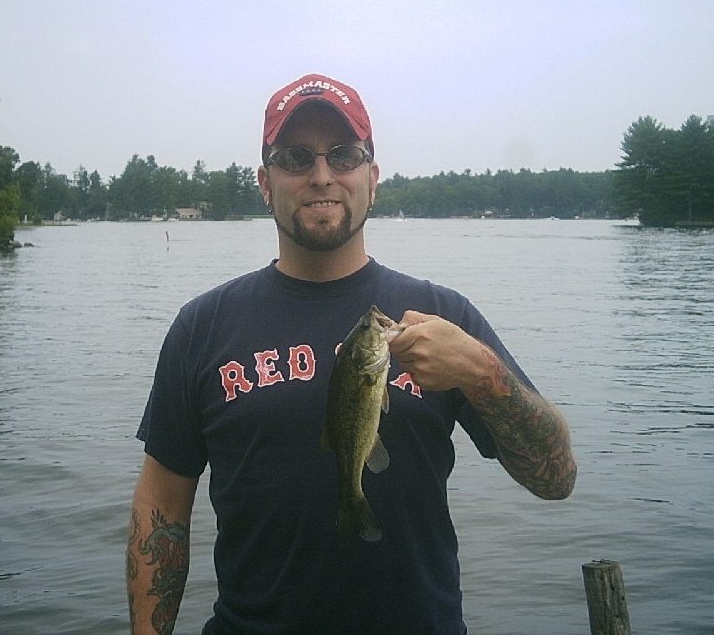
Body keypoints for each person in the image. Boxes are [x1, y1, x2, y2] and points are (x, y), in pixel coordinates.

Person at [127, 73, 577, 635]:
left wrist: (483, 375)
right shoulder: (202, 327)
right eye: (296, 157)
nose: (322, 176)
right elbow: (162, 506)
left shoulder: (445, 316)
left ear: (373, 176)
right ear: (265, 183)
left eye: (344, 155)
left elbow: (555, 479)